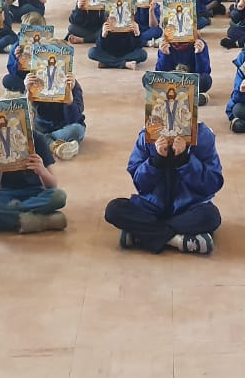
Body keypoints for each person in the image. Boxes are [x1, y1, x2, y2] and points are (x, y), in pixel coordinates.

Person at [104, 118, 222, 254]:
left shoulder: (202, 135)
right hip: (151, 208)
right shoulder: (147, 134)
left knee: (210, 216)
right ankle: (177, 240)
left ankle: (142, 235)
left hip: (189, 208)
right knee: (114, 209)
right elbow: (140, 184)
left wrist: (185, 161)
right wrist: (156, 161)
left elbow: (212, 183)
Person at [0, 131, 67, 233]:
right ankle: (42, 221)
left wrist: (42, 171)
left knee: (59, 196)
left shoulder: (38, 139)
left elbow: (52, 186)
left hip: (35, 194)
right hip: (5, 196)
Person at [26, 67, 85, 161]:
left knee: (77, 129)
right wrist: (28, 92)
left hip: (63, 127)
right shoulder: (35, 81)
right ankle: (57, 146)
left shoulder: (71, 84)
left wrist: (69, 98)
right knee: (29, 133)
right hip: (41, 127)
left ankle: (49, 143)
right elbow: (27, 115)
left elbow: (74, 119)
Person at [157, 34, 213, 104]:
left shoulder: (199, 43)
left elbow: (204, 72)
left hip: (190, 81)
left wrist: (199, 54)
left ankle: (171, 98)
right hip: (172, 81)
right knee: (147, 79)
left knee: (206, 80)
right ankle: (191, 98)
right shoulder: (165, 43)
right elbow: (159, 73)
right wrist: (165, 55)